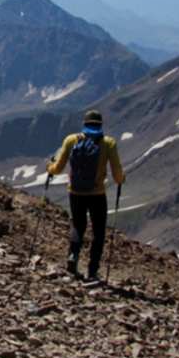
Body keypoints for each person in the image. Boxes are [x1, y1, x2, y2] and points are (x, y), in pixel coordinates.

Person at [45, 109, 125, 282]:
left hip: (75, 192)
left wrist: (49, 168)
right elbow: (117, 175)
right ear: (100, 124)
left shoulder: (71, 140)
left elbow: (57, 168)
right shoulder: (108, 143)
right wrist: (122, 178)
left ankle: (73, 257)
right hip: (97, 194)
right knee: (98, 231)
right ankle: (93, 271)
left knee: (78, 225)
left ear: (84, 123)